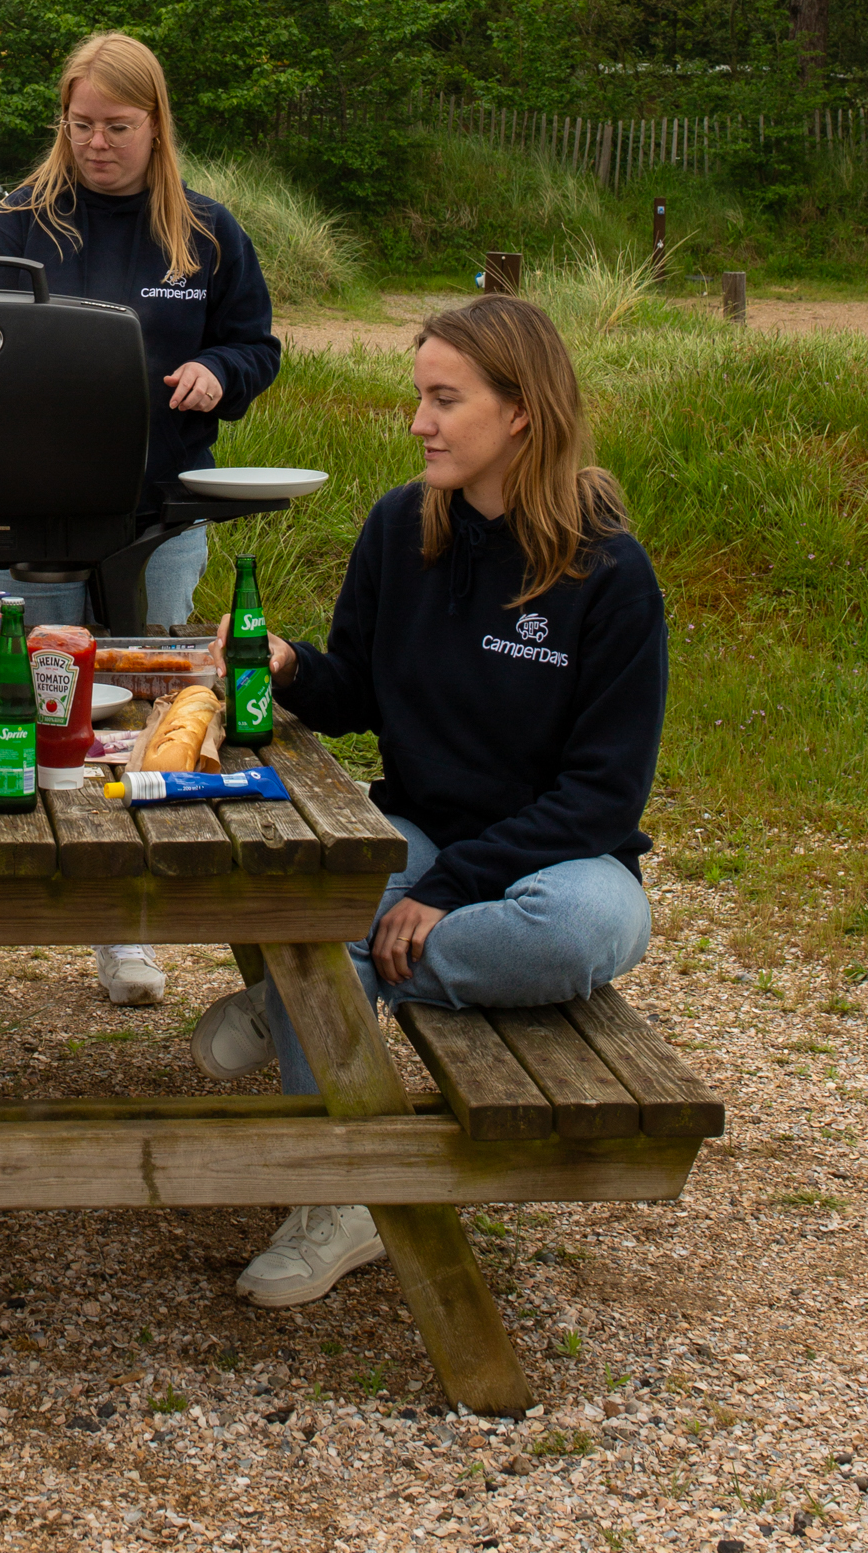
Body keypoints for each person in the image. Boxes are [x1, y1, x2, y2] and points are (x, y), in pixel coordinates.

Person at [192, 294, 666, 1310]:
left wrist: (448, 889)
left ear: (520, 412)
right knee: (299, 890)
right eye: (419, 397)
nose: (419, 423)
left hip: (557, 863)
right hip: (414, 834)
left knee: (580, 931)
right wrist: (283, 666)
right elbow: (357, 690)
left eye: (444, 400)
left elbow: (601, 794)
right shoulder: (400, 528)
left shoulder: (607, 574)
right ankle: (338, 1200)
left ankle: (306, 997)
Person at [0, 30, 280, 1020]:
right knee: (0, 715)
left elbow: (255, 343)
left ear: (155, 126)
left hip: (156, 518)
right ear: (61, 120)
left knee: (140, 724)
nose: (97, 143)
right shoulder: (20, 223)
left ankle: (126, 931)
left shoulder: (207, 231)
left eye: (118, 126)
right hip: (24, 519)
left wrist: (219, 374)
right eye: (81, 123)